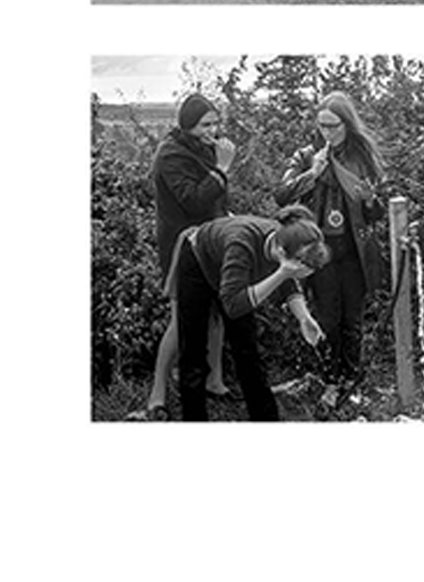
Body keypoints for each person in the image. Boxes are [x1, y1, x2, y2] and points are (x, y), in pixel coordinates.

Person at [276, 93, 385, 412]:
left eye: (333, 126)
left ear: (347, 124)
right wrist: (311, 173)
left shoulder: (361, 158)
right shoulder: (306, 155)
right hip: (318, 253)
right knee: (326, 318)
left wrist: (368, 200)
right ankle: (330, 379)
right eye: (322, 126)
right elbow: (281, 196)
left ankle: (350, 378)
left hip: (353, 252)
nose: (327, 132)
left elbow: (376, 213)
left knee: (352, 319)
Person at [171, 207, 328, 421]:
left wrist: (304, 317)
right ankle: (194, 419)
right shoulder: (242, 245)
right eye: (296, 270)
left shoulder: (288, 240)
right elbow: (232, 305)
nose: (298, 275)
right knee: (193, 348)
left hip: (235, 274)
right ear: (283, 256)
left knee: (247, 348)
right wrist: (281, 274)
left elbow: (289, 282)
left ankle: (265, 419)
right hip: (199, 258)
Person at [146, 93, 234, 417]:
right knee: (181, 319)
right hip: (181, 246)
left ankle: (215, 381)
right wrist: (222, 169)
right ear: (187, 125)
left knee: (217, 311)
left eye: (215, 123)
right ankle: (156, 394)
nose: (213, 130)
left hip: (211, 239)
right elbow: (193, 200)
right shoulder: (170, 155)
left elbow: (214, 198)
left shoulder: (204, 149)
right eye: (205, 125)